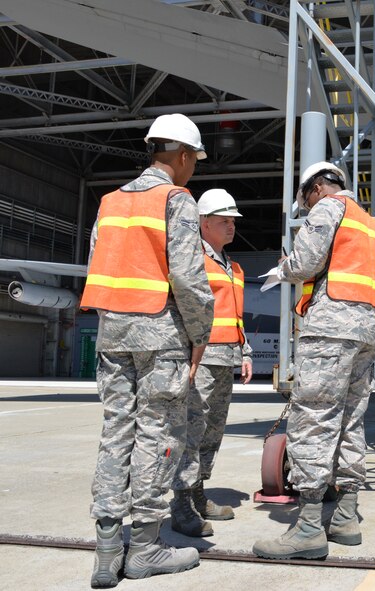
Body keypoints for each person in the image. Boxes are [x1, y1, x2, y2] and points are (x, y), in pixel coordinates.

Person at [80, 113, 215, 588]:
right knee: (158, 433)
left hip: (113, 333)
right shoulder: (176, 199)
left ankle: (105, 553)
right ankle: (145, 548)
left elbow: (100, 258)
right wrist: (202, 332)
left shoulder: (110, 202)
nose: (193, 168)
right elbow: (188, 276)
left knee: (116, 432)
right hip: (160, 333)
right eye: (193, 160)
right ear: (181, 156)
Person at [253, 161, 375, 560]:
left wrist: (282, 270)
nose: (307, 207)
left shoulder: (327, 208)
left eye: (304, 200)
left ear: (316, 189)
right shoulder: (371, 224)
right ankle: (345, 518)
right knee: (349, 419)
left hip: (330, 328)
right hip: (367, 328)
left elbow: (306, 263)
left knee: (313, 419)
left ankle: (309, 526)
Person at [170, 188, 253, 537]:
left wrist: (245, 351)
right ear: (204, 223)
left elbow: (235, 315)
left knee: (212, 431)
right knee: (191, 429)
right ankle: (181, 501)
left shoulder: (234, 267)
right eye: (224, 220)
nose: (231, 226)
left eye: (233, 220)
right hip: (200, 359)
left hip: (226, 357)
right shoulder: (193, 260)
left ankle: (198, 491)